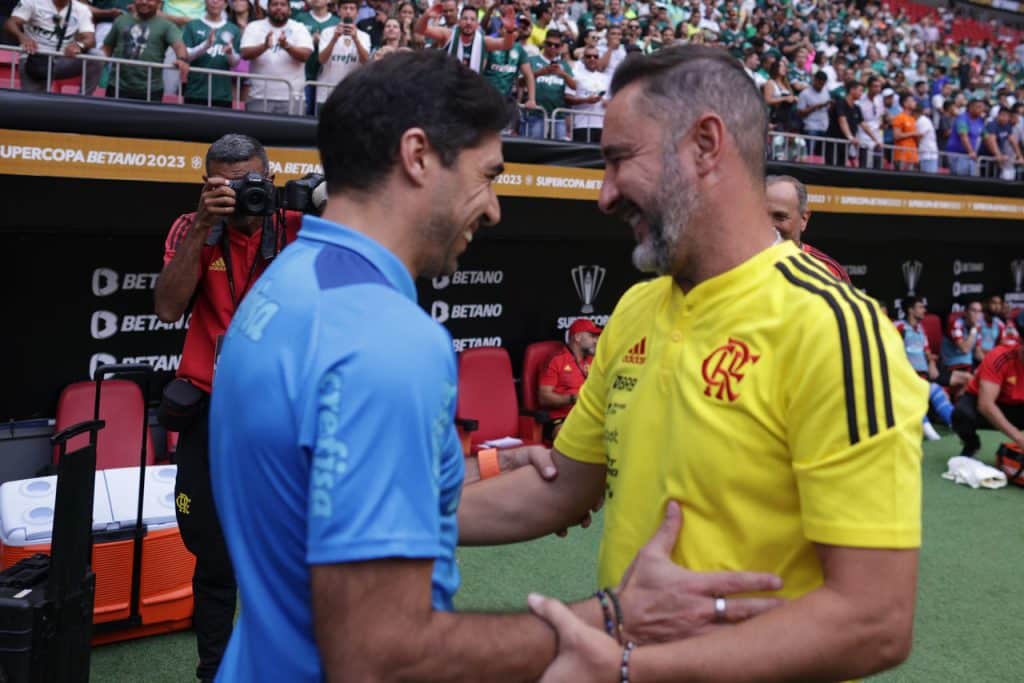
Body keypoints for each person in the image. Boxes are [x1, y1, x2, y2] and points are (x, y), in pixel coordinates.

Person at [206, 50, 784, 682]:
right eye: (488, 175)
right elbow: (381, 654)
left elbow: (321, 500)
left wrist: (462, 468)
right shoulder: (385, 340)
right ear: (419, 156)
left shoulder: (285, 286)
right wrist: (616, 619)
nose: (494, 208)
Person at [462, 46, 924, 682]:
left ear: (707, 145)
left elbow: (875, 619)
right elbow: (566, 487)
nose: (604, 194)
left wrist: (633, 667)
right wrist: (373, 526)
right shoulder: (635, 309)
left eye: (621, 159)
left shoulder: (833, 328)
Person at [153, 134, 304, 682]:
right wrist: (201, 228)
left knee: (289, 553)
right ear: (207, 187)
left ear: (271, 176)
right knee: (214, 560)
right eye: (227, 185)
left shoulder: (296, 227)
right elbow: (168, 307)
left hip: (282, 416)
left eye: (252, 183)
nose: (243, 195)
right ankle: (214, 672)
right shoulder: (192, 227)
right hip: (212, 417)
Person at [952, 322, 1024, 458]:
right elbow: (985, 405)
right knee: (961, 414)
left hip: (1019, 406)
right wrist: (1019, 438)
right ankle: (971, 444)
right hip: (988, 404)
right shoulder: (999, 357)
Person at [764, 175, 851, 283]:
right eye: (761, 216)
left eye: (780, 217)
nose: (769, 226)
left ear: (803, 219)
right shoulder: (740, 264)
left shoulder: (829, 272)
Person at [6, 0, 103, 94]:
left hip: (63, 58)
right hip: (35, 58)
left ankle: (84, 100)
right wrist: (22, 37)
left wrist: (79, 45)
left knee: (96, 55)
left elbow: (90, 39)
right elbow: (11, 23)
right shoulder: (32, 2)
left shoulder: (82, 9)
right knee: (34, 104)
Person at [102, 0, 189, 101]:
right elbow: (107, 47)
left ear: (159, 3)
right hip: (116, 87)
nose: (144, 2)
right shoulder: (120, 21)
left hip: (151, 91)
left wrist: (182, 60)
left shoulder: (167, 25)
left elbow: (179, 46)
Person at [239, 0, 312, 115]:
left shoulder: (299, 28)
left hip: (292, 97)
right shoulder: (254, 27)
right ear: (267, 8)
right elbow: (245, 54)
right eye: (274, 4)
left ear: (289, 10)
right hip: (259, 96)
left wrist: (287, 46)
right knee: (257, 133)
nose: (278, 8)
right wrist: (264, 46)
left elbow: (305, 55)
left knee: (292, 133)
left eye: (283, 5)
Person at [538, 318, 600, 438]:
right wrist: (573, 398)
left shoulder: (594, 361)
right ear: (577, 337)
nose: (596, 341)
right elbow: (544, 397)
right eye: (592, 336)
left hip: (589, 416)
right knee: (577, 438)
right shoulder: (556, 360)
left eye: (597, 337)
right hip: (561, 419)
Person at [415, 3, 515, 73]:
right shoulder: (448, 35)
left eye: (472, 19)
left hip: (471, 91)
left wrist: (510, 31)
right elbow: (420, 30)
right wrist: (426, 16)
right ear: (459, 21)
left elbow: (506, 45)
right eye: (465, 18)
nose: (468, 22)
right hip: (448, 87)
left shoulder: (483, 40)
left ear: (477, 24)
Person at [182, 0, 242, 107]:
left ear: (225, 4)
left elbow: (235, 63)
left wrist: (230, 53)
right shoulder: (192, 25)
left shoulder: (234, 29)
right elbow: (186, 56)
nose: (215, 2)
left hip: (222, 94)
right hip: (195, 92)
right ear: (205, 2)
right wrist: (205, 45)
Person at [314, 0, 370, 107]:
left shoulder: (364, 36)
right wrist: (334, 38)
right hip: (326, 92)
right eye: (345, 8)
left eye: (352, 8)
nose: (348, 12)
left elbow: (366, 61)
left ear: (357, 13)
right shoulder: (327, 32)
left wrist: (356, 39)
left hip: (351, 93)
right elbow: (321, 60)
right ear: (339, 11)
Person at [526, 28, 577, 139]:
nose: (552, 47)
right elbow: (520, 82)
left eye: (556, 45)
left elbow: (575, 86)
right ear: (544, 44)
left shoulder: (564, 65)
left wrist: (562, 73)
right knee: (534, 148)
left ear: (560, 47)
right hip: (536, 113)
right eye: (549, 44)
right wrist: (540, 73)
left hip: (558, 115)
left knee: (559, 151)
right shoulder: (532, 60)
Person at [295, 0, 339, 115]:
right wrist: (309, 40)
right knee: (303, 114)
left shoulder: (337, 22)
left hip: (327, 78)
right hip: (304, 75)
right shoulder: (300, 18)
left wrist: (325, 42)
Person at [567, 43, 609, 143]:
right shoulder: (575, 75)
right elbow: (568, 98)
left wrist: (607, 103)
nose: (592, 59)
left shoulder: (605, 78)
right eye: (588, 56)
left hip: (602, 125)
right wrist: (586, 100)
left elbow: (610, 100)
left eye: (595, 56)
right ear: (583, 59)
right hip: (582, 125)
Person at [895, 296, 938, 381]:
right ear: (910, 310)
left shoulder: (920, 328)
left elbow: (927, 350)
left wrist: (932, 364)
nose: (924, 310)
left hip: (925, 373)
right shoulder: (899, 326)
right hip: (910, 375)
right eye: (920, 307)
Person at [825, 79, 863, 166]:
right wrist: (850, 137)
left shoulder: (857, 108)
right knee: (831, 167)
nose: (861, 93)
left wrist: (875, 139)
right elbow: (842, 120)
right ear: (852, 90)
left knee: (841, 165)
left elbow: (863, 124)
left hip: (845, 145)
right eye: (860, 90)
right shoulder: (840, 103)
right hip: (834, 142)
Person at [946, 98, 985, 177]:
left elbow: (987, 137)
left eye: (982, 107)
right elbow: (963, 136)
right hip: (958, 155)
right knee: (960, 178)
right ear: (971, 107)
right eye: (979, 107)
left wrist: (998, 154)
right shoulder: (962, 119)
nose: (982, 109)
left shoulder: (980, 120)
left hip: (970, 156)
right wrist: (971, 151)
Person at [796, 70, 831, 156]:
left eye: (823, 84)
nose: (821, 86)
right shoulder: (805, 93)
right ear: (815, 80)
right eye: (819, 83)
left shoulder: (826, 91)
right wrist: (816, 106)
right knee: (810, 154)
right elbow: (800, 112)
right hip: (811, 128)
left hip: (824, 127)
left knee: (822, 155)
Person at [891, 93, 921, 171]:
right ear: (905, 104)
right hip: (902, 155)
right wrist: (913, 133)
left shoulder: (912, 118)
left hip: (912, 155)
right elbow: (896, 135)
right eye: (912, 101)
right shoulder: (899, 117)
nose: (915, 103)